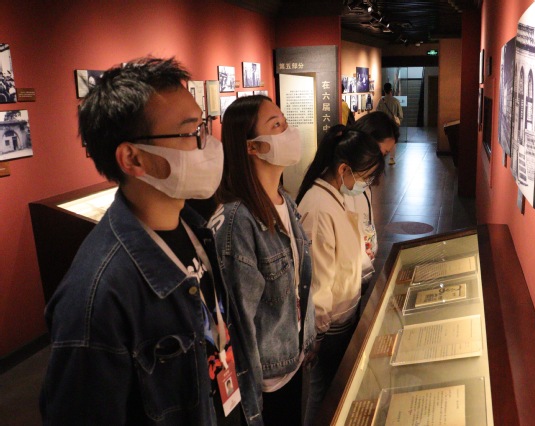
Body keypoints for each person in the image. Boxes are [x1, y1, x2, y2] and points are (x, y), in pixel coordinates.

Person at [39, 57, 262, 425]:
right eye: (191, 133)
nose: (207, 145)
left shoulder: (195, 228)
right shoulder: (98, 295)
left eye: (204, 127)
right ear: (133, 158)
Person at [210, 95, 316, 426]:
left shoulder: (284, 201)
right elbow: (238, 326)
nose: (289, 131)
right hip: (267, 380)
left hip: (292, 360)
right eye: (277, 125)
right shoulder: (237, 222)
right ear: (252, 147)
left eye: (285, 122)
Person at [296, 125, 385, 424]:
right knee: (325, 394)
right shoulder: (319, 206)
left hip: (341, 313)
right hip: (330, 323)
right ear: (344, 169)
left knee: (331, 389)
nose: (366, 184)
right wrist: (318, 333)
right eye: (365, 177)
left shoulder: (335, 195)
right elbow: (318, 280)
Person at [344, 111, 399, 294]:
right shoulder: (343, 184)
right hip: (345, 287)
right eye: (382, 153)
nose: (381, 161)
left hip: (358, 276)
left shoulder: (362, 181)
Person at [376, 82, 403, 165]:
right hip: (393, 125)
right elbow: (400, 115)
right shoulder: (396, 101)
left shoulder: (381, 101)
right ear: (391, 90)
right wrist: (398, 122)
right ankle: (391, 158)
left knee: (382, 140)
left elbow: (377, 113)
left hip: (383, 125)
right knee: (393, 141)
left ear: (384, 90)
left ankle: (382, 156)